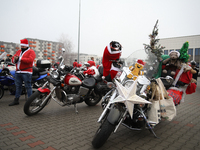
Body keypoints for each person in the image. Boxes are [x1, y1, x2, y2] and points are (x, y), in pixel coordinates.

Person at [9, 39, 36, 106]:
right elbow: (13, 58)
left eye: (23, 46)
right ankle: (16, 100)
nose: (22, 47)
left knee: (28, 86)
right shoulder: (19, 51)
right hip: (18, 72)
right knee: (18, 86)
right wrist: (14, 59)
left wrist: (20, 59)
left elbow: (30, 60)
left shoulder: (31, 52)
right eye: (21, 46)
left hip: (26, 72)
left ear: (26, 45)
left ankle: (30, 101)